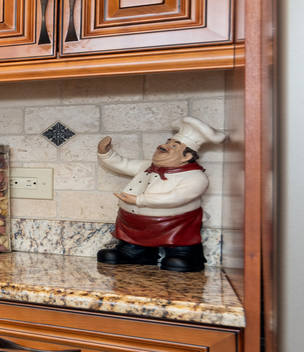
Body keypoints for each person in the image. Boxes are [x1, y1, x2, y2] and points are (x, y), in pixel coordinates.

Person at [95, 116, 225, 272]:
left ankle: (185, 254)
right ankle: (133, 252)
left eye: (174, 146)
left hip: (175, 224)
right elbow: (123, 164)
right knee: (120, 249)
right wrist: (105, 154)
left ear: (187, 156)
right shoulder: (147, 166)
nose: (165, 146)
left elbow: (177, 197)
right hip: (132, 223)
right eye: (168, 142)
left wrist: (139, 200)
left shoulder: (196, 177)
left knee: (179, 252)